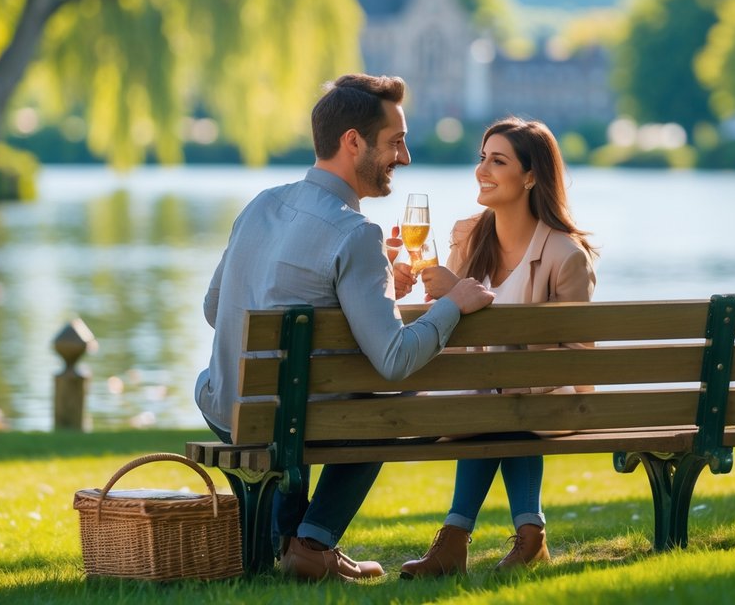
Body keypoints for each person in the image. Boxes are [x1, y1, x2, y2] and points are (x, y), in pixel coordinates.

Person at [194, 74, 494, 582]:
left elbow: (212, 309)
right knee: (396, 408)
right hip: (300, 422)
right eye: (395, 142)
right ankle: (313, 544)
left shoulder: (261, 204)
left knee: (304, 404)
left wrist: (372, 297)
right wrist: (456, 305)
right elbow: (395, 360)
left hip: (228, 409)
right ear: (352, 141)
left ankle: (293, 541)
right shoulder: (356, 234)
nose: (405, 157)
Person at [399, 117, 597, 578]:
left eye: (498, 160)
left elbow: (578, 360)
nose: (482, 169)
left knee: (495, 401)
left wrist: (470, 309)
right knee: (490, 399)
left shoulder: (566, 255)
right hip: (485, 397)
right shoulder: (467, 236)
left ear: (530, 177)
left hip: (551, 402)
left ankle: (454, 542)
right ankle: (529, 536)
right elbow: (447, 332)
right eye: (482, 158)